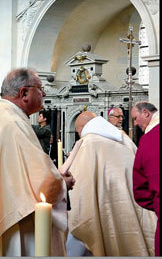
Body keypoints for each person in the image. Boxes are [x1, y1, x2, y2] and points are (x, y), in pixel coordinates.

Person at [0, 68, 74, 256]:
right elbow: (43, 184)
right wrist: (62, 182)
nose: (44, 93)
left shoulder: (1, 117)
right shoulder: (12, 123)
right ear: (24, 93)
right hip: (16, 224)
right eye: (40, 88)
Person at [66, 111, 157, 256]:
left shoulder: (88, 143)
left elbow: (78, 186)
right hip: (134, 201)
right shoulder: (124, 139)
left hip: (104, 206)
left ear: (81, 128)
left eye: (77, 131)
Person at [131, 102, 160, 256]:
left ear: (146, 113)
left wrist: (157, 203)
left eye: (136, 118)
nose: (135, 124)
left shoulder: (149, 139)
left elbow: (140, 190)